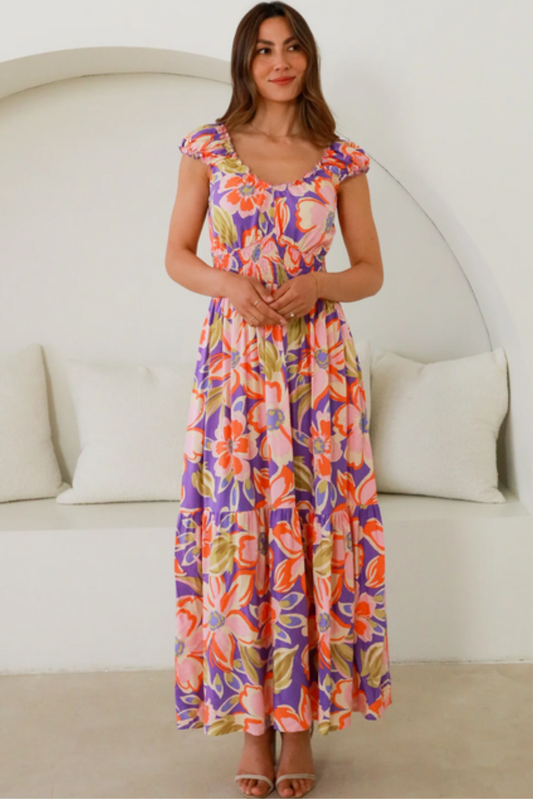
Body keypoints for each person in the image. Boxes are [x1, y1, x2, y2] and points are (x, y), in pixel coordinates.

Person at [165, 3, 392, 797]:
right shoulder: (208, 147)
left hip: (315, 373)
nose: (279, 60)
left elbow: (368, 269)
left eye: (292, 45)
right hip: (232, 368)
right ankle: (253, 730)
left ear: (307, 58)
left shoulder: (340, 159)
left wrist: (317, 286)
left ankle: (299, 727)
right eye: (263, 49)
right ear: (245, 62)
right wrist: (228, 281)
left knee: (309, 531)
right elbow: (176, 255)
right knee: (242, 534)